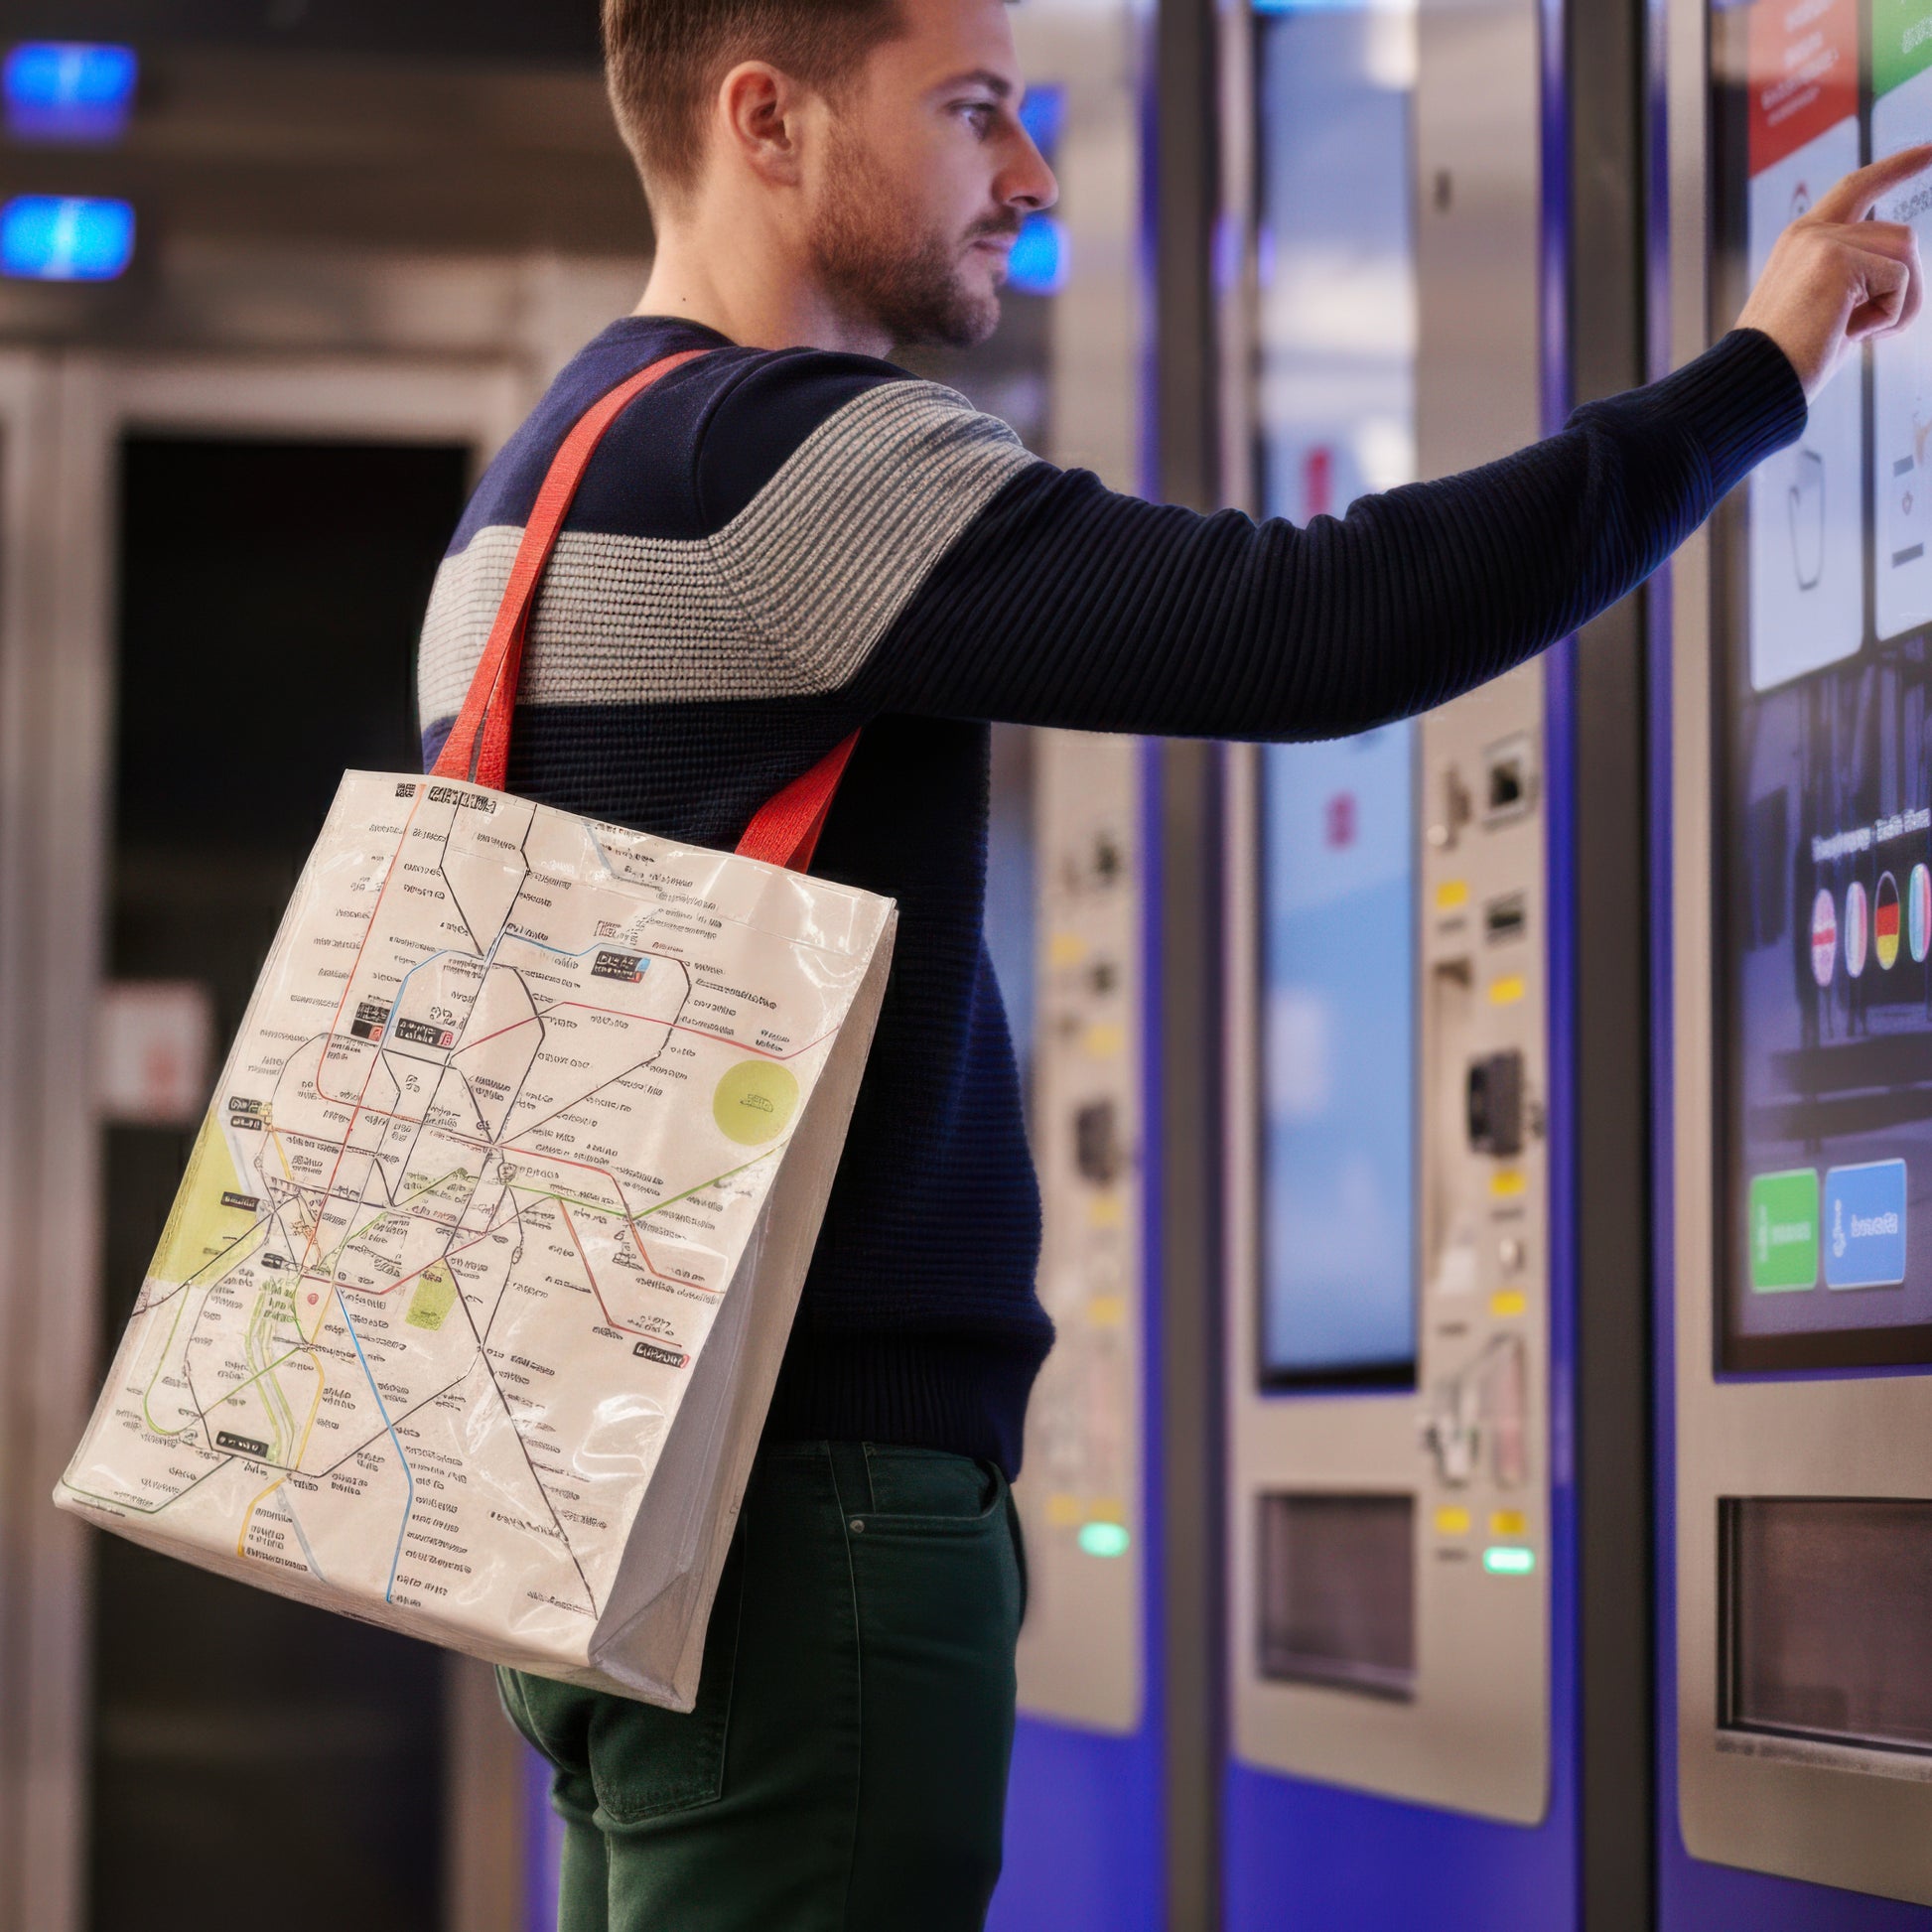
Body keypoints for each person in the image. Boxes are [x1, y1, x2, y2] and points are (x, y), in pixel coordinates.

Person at [414, 1, 1928, 1925]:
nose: (1030, 181)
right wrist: (1754, 369)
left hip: (597, 1512)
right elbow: (1316, 624)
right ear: (764, 122)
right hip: (814, 1530)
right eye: (973, 116)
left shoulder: (527, 503)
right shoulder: (777, 463)